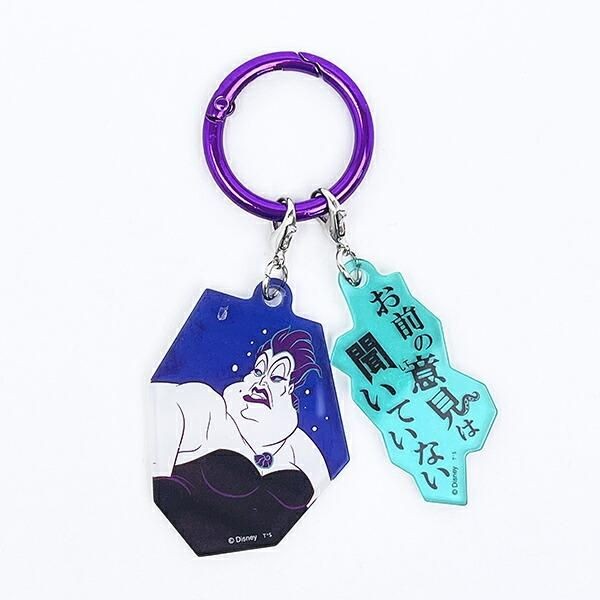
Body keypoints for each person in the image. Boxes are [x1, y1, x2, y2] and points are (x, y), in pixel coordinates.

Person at [152, 328, 330, 555]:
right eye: (258, 370)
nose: (260, 383)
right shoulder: (205, 407)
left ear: (290, 387)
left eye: (276, 377)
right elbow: (163, 407)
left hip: (279, 561)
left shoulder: (302, 449)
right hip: (169, 548)